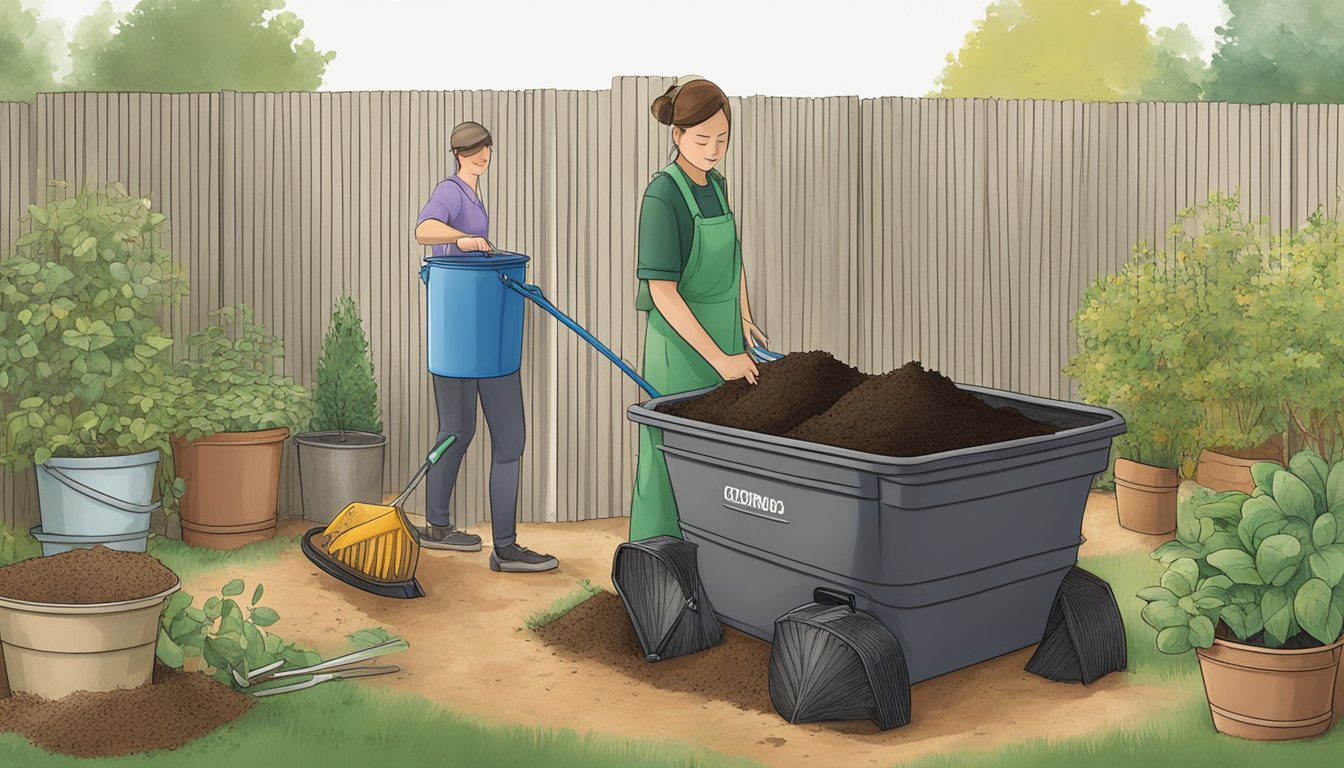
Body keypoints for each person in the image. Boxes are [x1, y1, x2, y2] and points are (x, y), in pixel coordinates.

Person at [414, 121, 559, 573]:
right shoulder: (451, 191)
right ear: (457, 154)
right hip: (471, 334)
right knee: (498, 437)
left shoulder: (474, 196)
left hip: (462, 332)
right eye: (471, 150)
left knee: (460, 432)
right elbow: (423, 230)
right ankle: (502, 547)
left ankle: (442, 527)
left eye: (485, 148)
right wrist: (458, 238)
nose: (481, 155)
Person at [629, 77, 769, 541]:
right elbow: (663, 292)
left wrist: (744, 316)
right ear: (677, 135)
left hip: (728, 342)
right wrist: (719, 360)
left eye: (722, 139)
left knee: (722, 463)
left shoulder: (718, 186)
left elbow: (733, 257)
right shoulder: (662, 196)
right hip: (684, 355)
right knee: (674, 458)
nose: (713, 150)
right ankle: (657, 564)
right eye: (702, 138)